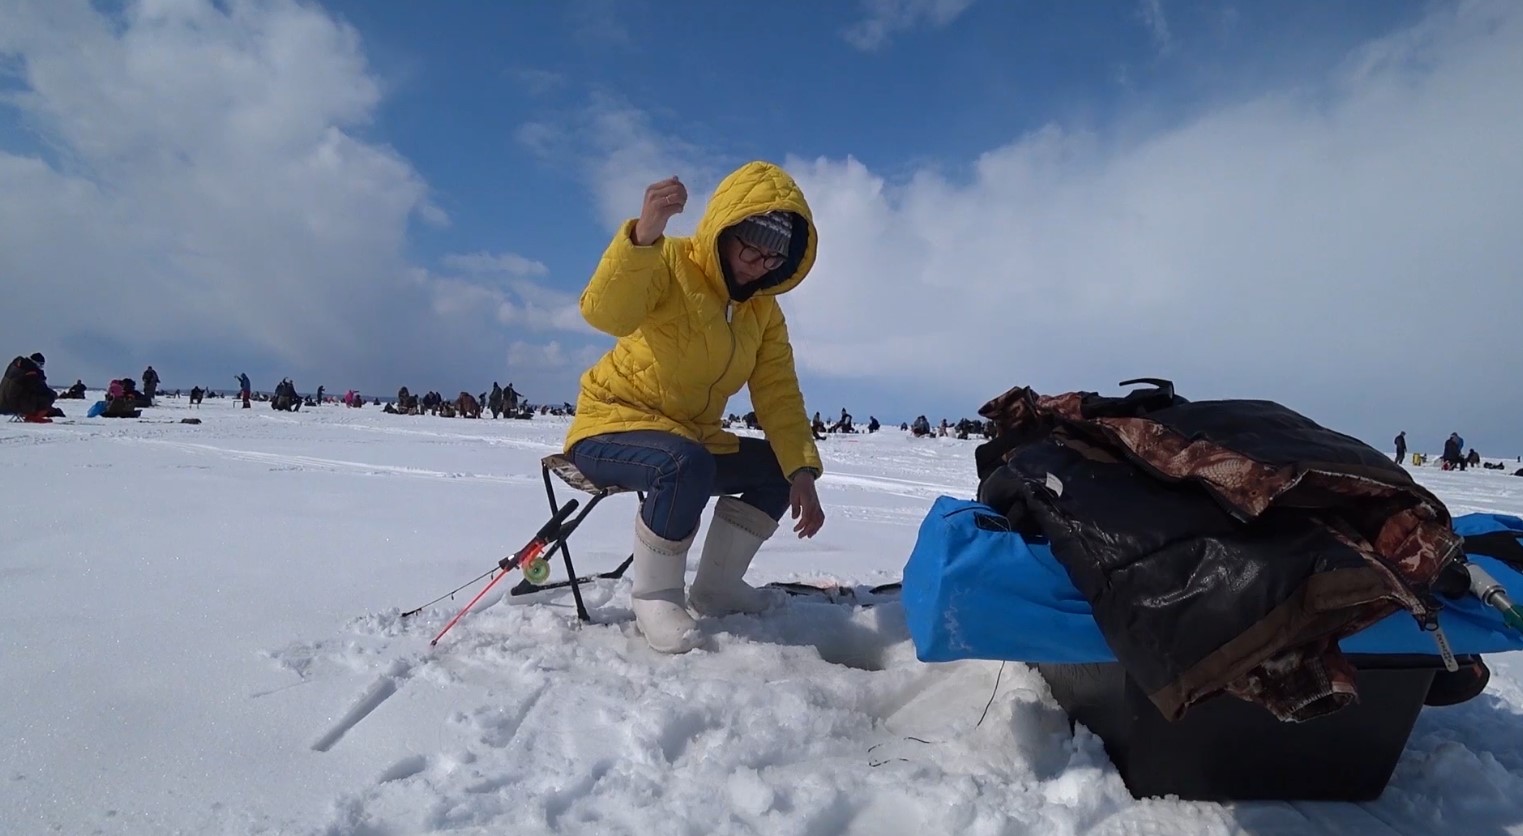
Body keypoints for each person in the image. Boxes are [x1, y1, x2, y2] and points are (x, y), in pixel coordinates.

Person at [562, 161, 825, 654]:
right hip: (610, 427)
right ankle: (656, 596)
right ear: (724, 232)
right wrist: (643, 237)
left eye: (774, 258)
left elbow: (779, 392)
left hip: (690, 437)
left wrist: (803, 470)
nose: (758, 265)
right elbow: (604, 313)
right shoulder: (670, 261)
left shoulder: (763, 313)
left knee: (777, 468)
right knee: (684, 464)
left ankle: (716, 588)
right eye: (751, 248)